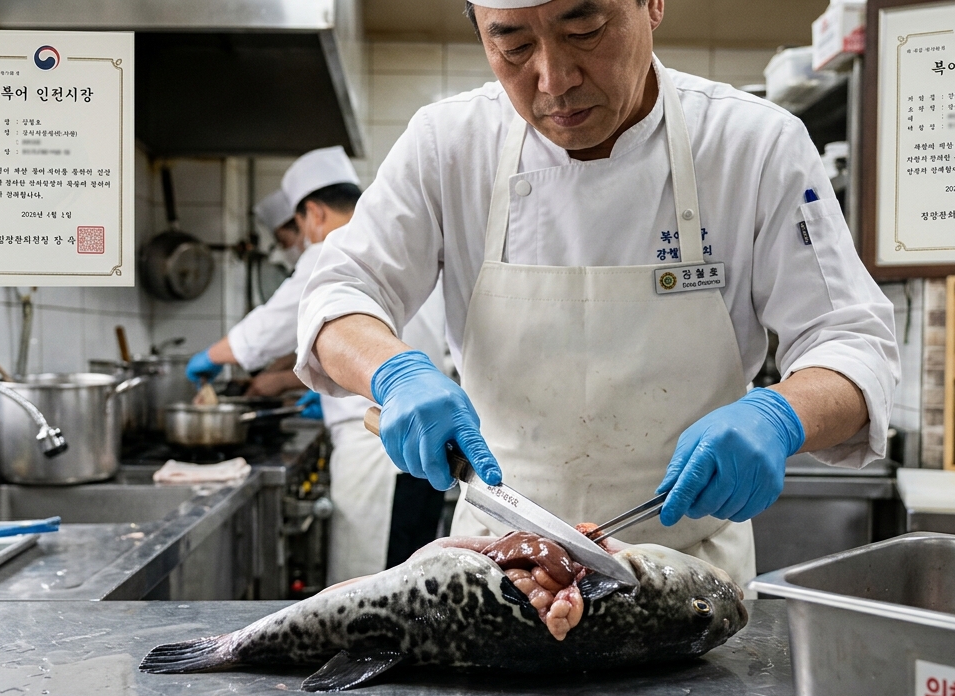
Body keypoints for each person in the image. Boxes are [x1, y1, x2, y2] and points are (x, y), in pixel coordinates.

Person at [294, 0, 899, 584]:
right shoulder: (447, 143)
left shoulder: (754, 145)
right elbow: (337, 295)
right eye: (513, 45)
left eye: (583, 30)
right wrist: (393, 372)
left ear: (652, 4)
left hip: (689, 577)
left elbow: (851, 342)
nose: (554, 81)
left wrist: (781, 415)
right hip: (496, 568)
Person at [186, 147, 452, 583]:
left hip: (377, 451)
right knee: (415, 580)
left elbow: (270, 326)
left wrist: (211, 358)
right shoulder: (396, 246)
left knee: (372, 587)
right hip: (424, 447)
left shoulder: (334, 250)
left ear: (313, 213)